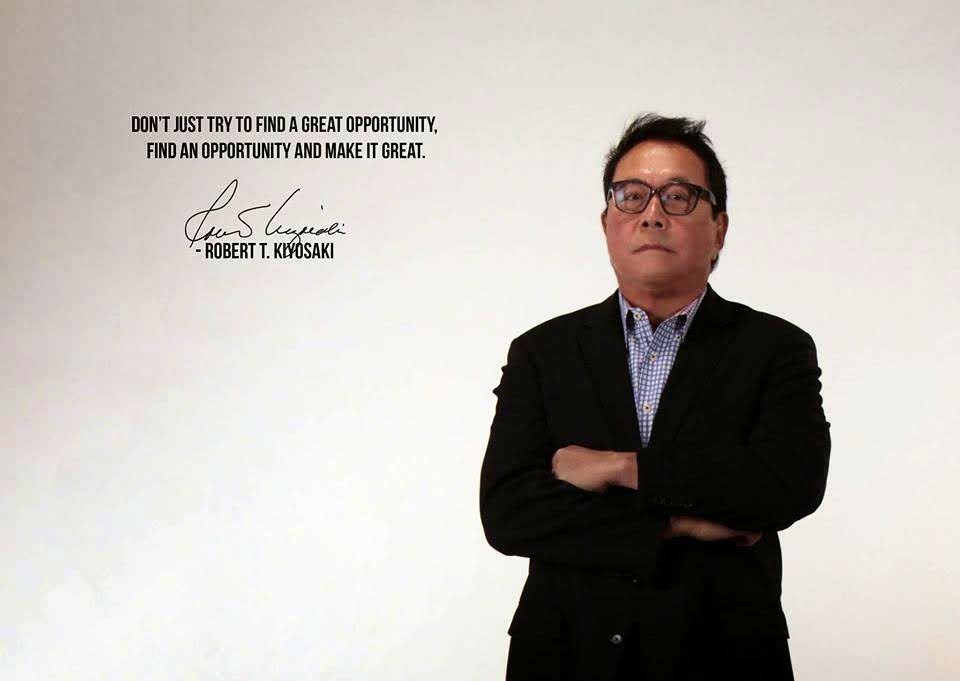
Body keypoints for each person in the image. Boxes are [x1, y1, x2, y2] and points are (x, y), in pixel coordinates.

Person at [479, 113, 831, 681]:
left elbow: (785, 485)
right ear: (606, 224)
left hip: (722, 657)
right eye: (631, 195)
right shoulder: (542, 352)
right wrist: (675, 525)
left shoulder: (775, 348)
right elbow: (509, 514)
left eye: (678, 196)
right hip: (567, 656)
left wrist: (622, 468)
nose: (652, 214)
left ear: (719, 228)